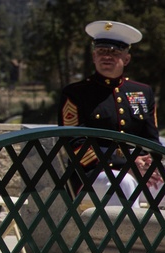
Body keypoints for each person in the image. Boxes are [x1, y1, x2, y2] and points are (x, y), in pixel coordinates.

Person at [60, 20, 159, 206]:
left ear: (127, 58)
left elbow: (152, 140)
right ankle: (128, 236)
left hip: (138, 169)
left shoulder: (142, 92)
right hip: (91, 173)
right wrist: (126, 164)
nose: (107, 56)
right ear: (94, 57)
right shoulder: (75, 93)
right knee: (124, 183)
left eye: (114, 52)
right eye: (102, 51)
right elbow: (75, 143)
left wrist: (150, 165)